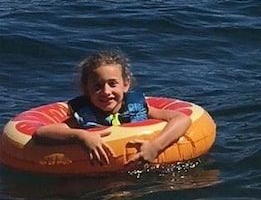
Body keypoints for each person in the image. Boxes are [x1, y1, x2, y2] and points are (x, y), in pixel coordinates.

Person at [33, 50, 192, 167]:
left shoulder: (137, 106)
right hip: (101, 174)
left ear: (126, 84)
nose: (106, 92)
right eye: (97, 86)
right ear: (86, 89)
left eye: (112, 84)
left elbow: (181, 119)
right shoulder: (85, 115)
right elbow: (41, 133)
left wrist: (155, 147)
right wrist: (81, 136)